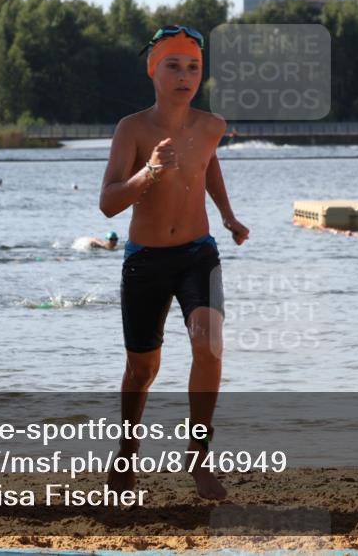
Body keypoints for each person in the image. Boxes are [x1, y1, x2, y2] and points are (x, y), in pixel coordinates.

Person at [99, 25, 249, 501]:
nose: (185, 75)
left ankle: (199, 456)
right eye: (173, 65)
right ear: (152, 70)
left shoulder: (211, 126)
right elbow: (107, 204)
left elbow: (208, 164)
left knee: (209, 348)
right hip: (145, 260)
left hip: (197, 254)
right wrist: (150, 171)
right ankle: (126, 450)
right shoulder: (133, 129)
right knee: (142, 370)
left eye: (193, 67)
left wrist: (227, 215)